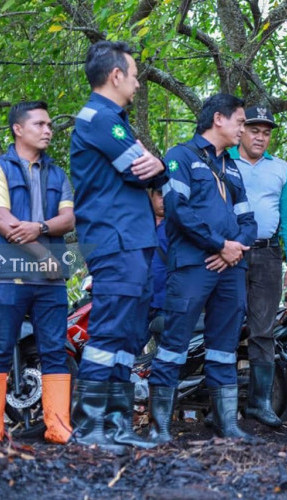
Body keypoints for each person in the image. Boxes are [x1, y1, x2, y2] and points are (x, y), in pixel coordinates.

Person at [70, 41, 167, 451]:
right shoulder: (98, 118)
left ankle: (117, 424)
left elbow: (151, 169)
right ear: (115, 75)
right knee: (108, 331)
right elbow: (141, 169)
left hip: (135, 240)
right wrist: (154, 167)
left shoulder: (114, 119)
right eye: (135, 75)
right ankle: (89, 428)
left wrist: (156, 166)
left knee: (128, 337)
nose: (139, 84)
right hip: (115, 240)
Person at [147, 93, 258, 444]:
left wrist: (234, 250)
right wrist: (218, 245)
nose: (244, 128)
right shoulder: (181, 156)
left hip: (231, 268)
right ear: (218, 119)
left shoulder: (232, 165)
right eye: (240, 121)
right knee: (174, 345)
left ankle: (228, 425)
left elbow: (248, 220)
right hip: (194, 266)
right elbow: (178, 210)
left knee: (224, 347)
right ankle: (160, 427)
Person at [0, 101, 75, 444]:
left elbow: (69, 219)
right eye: (41, 124)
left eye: (49, 125)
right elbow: (5, 222)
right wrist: (46, 256)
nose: (48, 130)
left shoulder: (57, 173)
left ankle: (58, 427)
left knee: (54, 351)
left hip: (51, 283)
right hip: (9, 276)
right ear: (18, 128)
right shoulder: (1, 167)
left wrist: (39, 226)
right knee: (1, 349)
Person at [229, 106, 287, 427]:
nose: (260, 136)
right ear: (240, 130)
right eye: (254, 129)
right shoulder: (223, 159)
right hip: (229, 255)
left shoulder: (282, 169)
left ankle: (260, 403)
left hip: (269, 256)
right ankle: (225, 406)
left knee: (263, 330)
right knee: (225, 327)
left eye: (266, 132)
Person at [148, 188, 167, 321]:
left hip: (168, 302)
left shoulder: (181, 226)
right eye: (160, 194)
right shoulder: (139, 225)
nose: (164, 200)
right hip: (140, 301)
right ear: (151, 195)